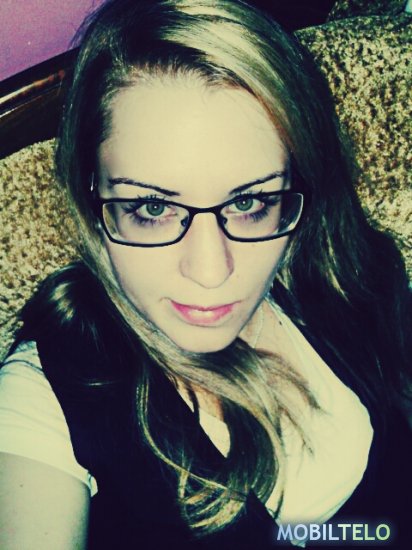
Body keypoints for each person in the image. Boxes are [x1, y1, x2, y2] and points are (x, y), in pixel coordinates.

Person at [0, 0, 410, 548]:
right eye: (152, 208)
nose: (212, 272)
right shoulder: (47, 394)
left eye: (249, 203)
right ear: (92, 196)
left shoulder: (335, 276)